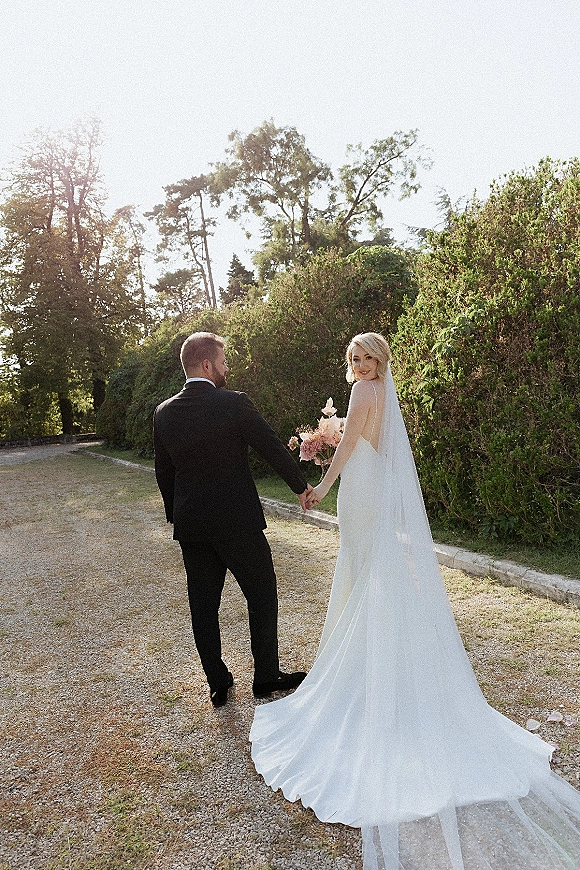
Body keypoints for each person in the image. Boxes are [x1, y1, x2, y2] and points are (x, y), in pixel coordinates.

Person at [250, 332, 580, 869]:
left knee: (362, 577)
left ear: (379, 360)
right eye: (353, 358)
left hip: (359, 487)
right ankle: (381, 663)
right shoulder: (382, 391)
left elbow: (353, 442)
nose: (357, 365)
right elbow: (365, 441)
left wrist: (322, 485)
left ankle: (366, 673)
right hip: (374, 485)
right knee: (371, 577)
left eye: (365, 358)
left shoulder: (362, 393)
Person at [154, 332, 311, 708]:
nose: (226, 369)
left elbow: (164, 473)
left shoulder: (164, 412)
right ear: (207, 364)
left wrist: (179, 517)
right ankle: (266, 676)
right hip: (238, 523)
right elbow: (271, 447)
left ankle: (218, 682)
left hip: (193, 527)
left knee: (203, 605)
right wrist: (300, 486)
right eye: (223, 363)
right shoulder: (234, 403)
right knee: (261, 594)